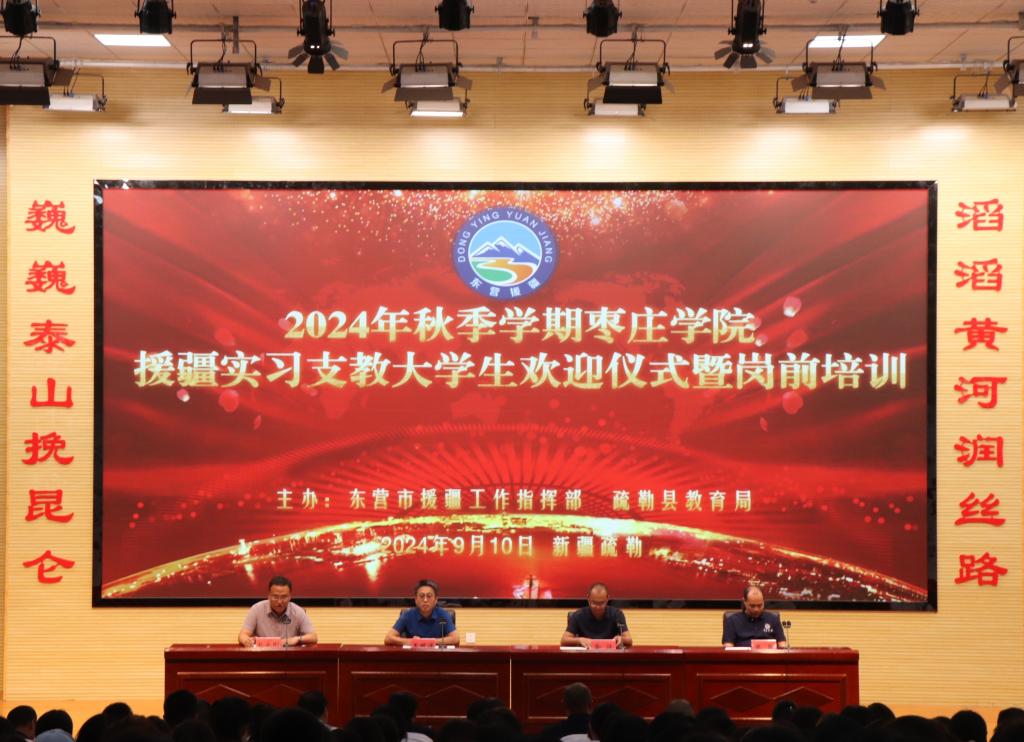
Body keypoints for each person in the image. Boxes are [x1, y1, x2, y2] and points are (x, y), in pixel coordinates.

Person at [238, 575, 318, 647]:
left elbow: (313, 637)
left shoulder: (298, 611)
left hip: (289, 655)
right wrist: (246, 640)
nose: (279, 602)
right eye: (275, 597)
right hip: (262, 655)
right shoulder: (256, 609)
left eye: (284, 597)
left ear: (290, 596)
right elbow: (242, 635)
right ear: (269, 595)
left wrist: (297, 639)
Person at [385, 579, 460, 646]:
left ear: (436, 599)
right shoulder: (408, 614)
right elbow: (388, 638)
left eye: (429, 596)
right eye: (421, 596)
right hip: (414, 654)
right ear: (415, 599)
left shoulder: (443, 614)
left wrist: (431, 641)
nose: (425, 600)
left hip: (436, 655)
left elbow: (455, 638)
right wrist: (411, 641)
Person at [561, 583, 632, 648]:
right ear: (588, 598)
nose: (598, 607)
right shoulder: (578, 615)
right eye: (594, 603)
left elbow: (629, 640)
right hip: (586, 654)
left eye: (601, 603)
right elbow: (564, 640)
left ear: (607, 599)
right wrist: (579, 640)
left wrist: (621, 638)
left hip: (610, 654)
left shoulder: (617, 614)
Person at [722, 586, 788, 648]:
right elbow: (728, 646)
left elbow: (782, 644)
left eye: (759, 605)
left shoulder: (773, 619)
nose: (756, 609)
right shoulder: (732, 621)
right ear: (744, 602)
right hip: (742, 656)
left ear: (763, 602)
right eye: (752, 606)